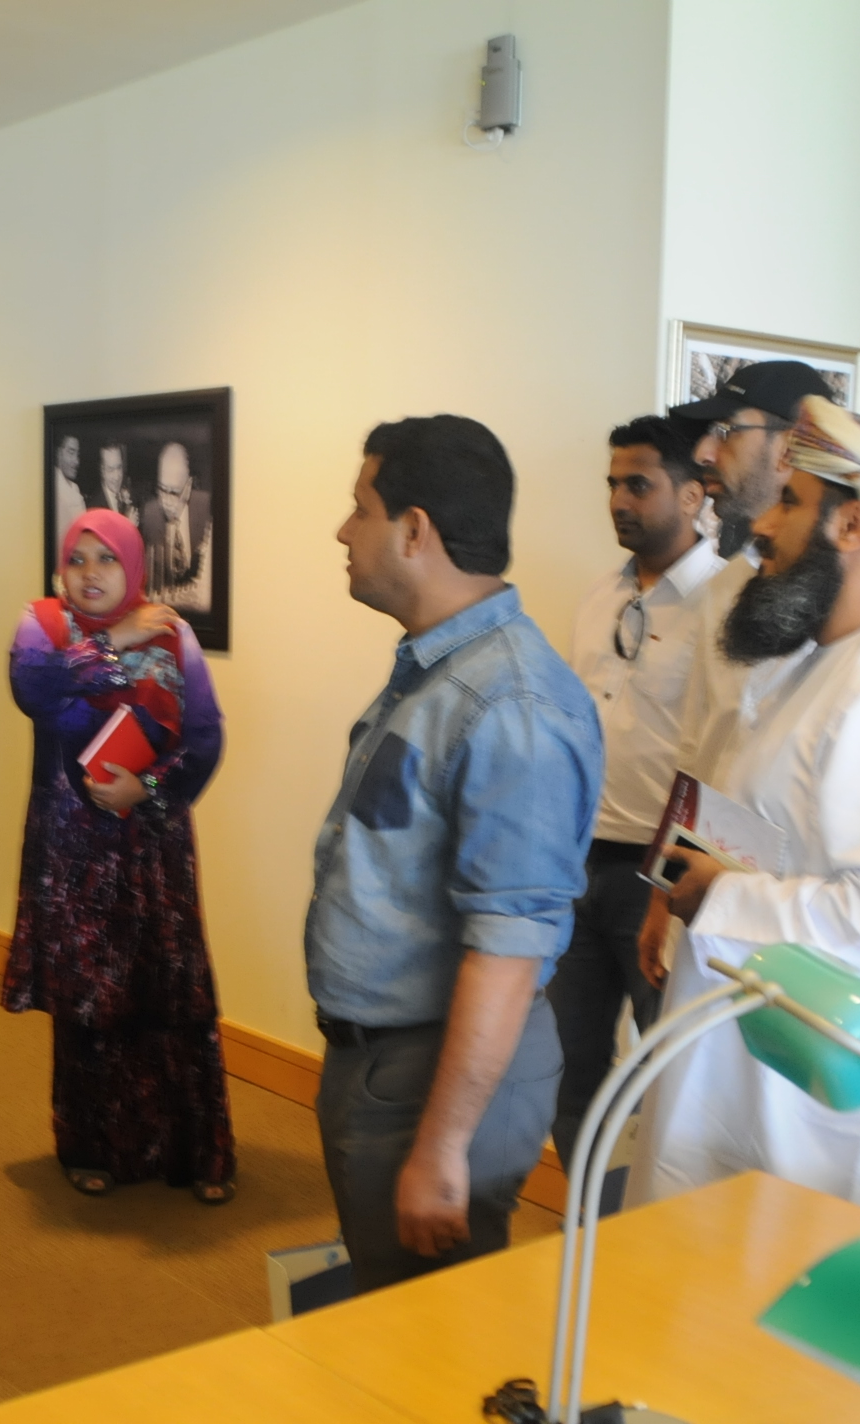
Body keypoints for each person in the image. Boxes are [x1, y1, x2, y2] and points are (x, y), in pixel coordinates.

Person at [629, 396, 860, 1245]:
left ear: (854, 524)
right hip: (767, 1065)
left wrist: (721, 896)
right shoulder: (831, 656)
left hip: (837, 1112)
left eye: (790, 502)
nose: (763, 526)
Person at [310, 415, 602, 1292]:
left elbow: (509, 947)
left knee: (429, 1329)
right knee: (390, 1311)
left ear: (414, 529)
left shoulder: (510, 703)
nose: (343, 531)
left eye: (360, 508)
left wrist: (441, 1150)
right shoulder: (442, 674)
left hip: (436, 1077)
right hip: (388, 1063)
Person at [4, 509, 236, 1202]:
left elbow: (204, 736)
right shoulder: (43, 626)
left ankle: (196, 1153)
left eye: (106, 558)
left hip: (152, 843)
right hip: (72, 846)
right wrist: (113, 643)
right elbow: (34, 691)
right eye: (77, 559)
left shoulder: (173, 631)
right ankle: (88, 1146)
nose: (90, 573)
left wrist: (148, 790)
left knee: (170, 988)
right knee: (89, 996)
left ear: (132, 566)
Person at [551, 416, 724, 1161]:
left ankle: (653, 1221)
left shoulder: (725, 603)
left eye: (639, 485)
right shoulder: (600, 596)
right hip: (579, 863)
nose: (620, 501)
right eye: (614, 485)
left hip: (663, 878)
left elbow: (717, 756)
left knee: (670, 1072)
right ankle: (583, 1213)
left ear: (692, 495)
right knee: (569, 1065)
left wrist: (667, 883)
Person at [634, 361, 839, 974]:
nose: (705, 453)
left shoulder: (843, 602)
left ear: (790, 446)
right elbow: (699, 751)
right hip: (708, 897)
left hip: (804, 921)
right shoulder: (726, 590)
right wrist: (662, 890)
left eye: (727, 432)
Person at [141, 440, 213, 611]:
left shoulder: (208, 508)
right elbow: (151, 584)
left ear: (188, 486)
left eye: (174, 492)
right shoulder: (150, 514)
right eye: (161, 489)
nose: (166, 501)